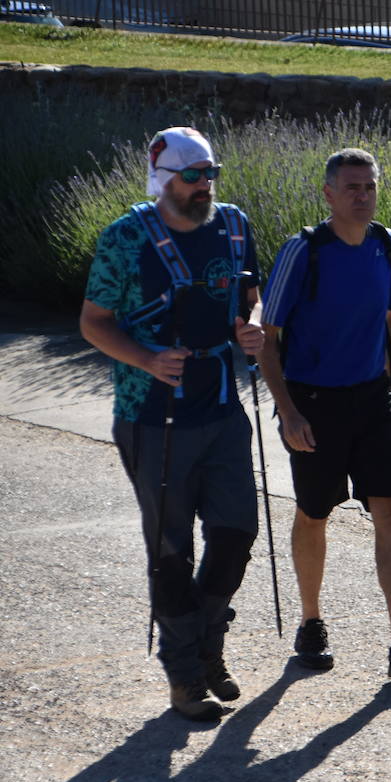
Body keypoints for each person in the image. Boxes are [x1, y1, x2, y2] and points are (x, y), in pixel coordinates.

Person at [79, 126, 265, 722]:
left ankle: (207, 644)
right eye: (193, 176)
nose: (205, 185)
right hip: (151, 416)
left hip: (220, 406)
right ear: (163, 180)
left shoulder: (234, 225)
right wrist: (147, 358)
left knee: (236, 533)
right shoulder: (126, 238)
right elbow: (94, 322)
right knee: (171, 550)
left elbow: (246, 294)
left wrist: (250, 327)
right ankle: (185, 677)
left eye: (211, 172)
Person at [258, 148, 391, 678]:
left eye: (369, 187)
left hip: (372, 400)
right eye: (351, 188)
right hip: (313, 403)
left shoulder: (387, 246)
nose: (362, 197)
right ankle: (311, 621)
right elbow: (268, 341)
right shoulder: (304, 251)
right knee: (315, 511)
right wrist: (288, 413)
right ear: (328, 194)